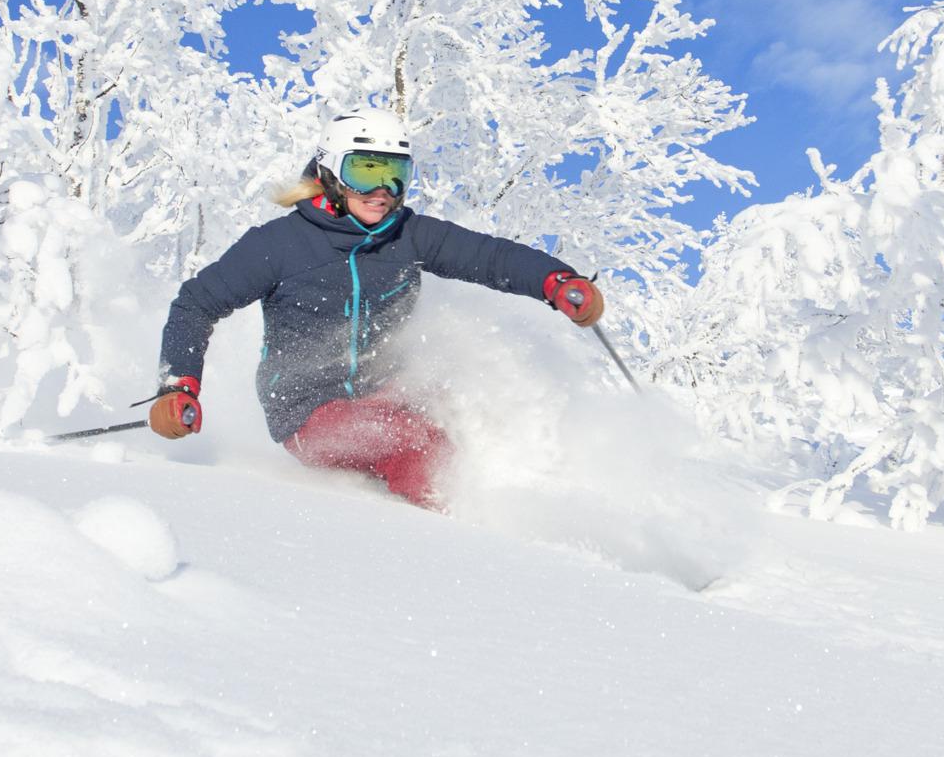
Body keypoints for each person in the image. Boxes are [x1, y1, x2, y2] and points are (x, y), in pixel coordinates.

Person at [146, 108, 604, 509]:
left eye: (396, 173)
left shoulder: (407, 234)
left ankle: (548, 502)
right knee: (413, 440)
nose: (382, 189)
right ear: (330, 172)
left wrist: (556, 281)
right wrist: (178, 386)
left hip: (386, 391)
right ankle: (449, 540)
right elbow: (195, 305)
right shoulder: (280, 245)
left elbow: (490, 257)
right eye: (366, 171)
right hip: (308, 410)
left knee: (474, 410)